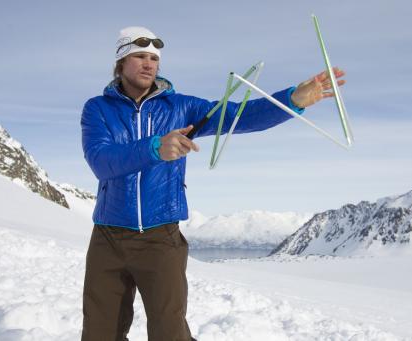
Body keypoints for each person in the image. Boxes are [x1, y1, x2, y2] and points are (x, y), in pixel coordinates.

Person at [80, 26, 346, 341]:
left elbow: (238, 115)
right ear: (121, 62)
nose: (149, 63)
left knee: (170, 333)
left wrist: (292, 99)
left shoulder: (180, 107)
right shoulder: (97, 109)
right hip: (108, 238)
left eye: (154, 58)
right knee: (99, 333)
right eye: (139, 56)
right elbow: (101, 160)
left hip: (160, 238)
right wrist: (155, 148)